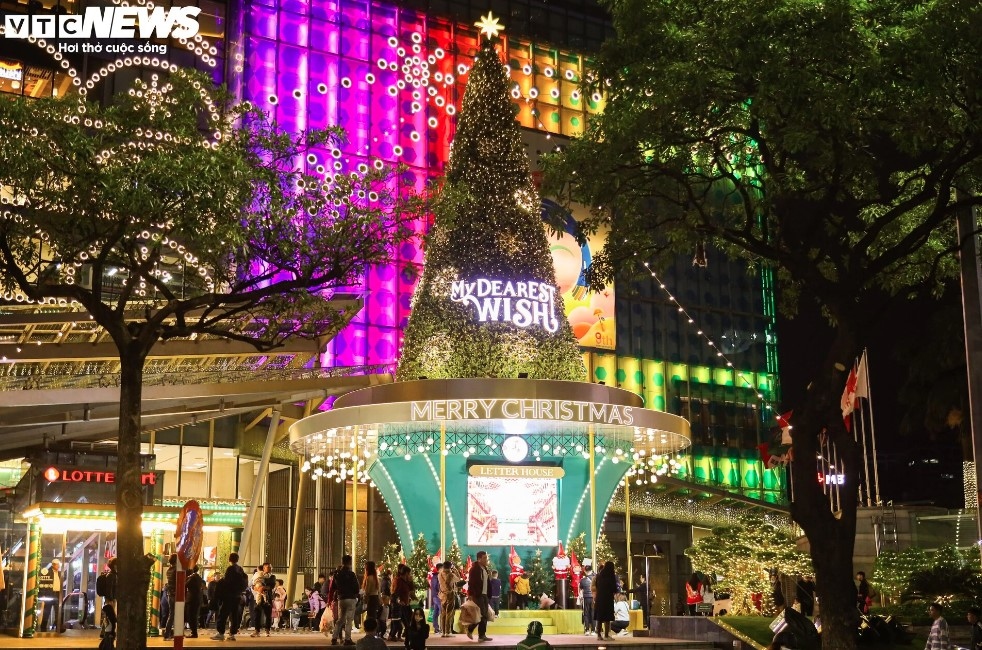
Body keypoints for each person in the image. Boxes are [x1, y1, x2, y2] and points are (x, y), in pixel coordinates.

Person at [212, 552, 249, 641]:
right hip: (237, 596)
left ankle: (221, 633)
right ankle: (232, 634)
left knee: (223, 614)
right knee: (234, 615)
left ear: (229, 559)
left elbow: (227, 582)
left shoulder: (230, 569)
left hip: (229, 596)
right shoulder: (240, 569)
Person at [466, 550, 493, 642]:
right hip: (478, 594)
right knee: (482, 614)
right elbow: (471, 583)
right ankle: (475, 632)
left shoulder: (485, 568)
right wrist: (470, 594)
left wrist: (489, 593)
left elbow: (487, 582)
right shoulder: (474, 569)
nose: (486, 559)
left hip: (485, 595)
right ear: (479, 559)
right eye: (484, 558)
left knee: (484, 615)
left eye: (486, 558)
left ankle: (481, 634)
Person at [593, 561, 617, 640]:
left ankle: (599, 635)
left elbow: (596, 585)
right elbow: (614, 588)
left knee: (599, 617)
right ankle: (606, 635)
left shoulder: (599, 575)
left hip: (599, 598)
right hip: (608, 598)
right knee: (607, 617)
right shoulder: (611, 576)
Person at [438, 561, 461, 638]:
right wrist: (456, 570)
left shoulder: (440, 574)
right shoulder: (451, 575)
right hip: (450, 594)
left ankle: (443, 631)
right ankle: (448, 631)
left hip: (442, 595)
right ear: (450, 567)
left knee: (443, 613)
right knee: (449, 613)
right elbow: (458, 579)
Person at [100, 559, 119, 638]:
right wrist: (110, 598)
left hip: (111, 598)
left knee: (108, 616)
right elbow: (109, 588)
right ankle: (106, 632)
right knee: (110, 616)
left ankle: (104, 632)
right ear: (114, 565)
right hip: (110, 599)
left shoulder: (113, 574)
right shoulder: (111, 575)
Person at [186, 566, 204, 638]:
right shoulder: (198, 577)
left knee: (191, 616)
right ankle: (194, 632)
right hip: (197, 599)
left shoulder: (192, 577)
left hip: (192, 599)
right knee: (195, 616)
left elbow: (185, 584)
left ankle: (194, 632)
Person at [363, 561, 381, 636]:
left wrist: (365, 600)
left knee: (370, 616)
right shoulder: (376, 578)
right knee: (374, 615)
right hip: (375, 597)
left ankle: (370, 632)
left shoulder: (369, 578)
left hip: (371, 597)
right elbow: (379, 590)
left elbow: (367, 591)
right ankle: (375, 631)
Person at [163, 554, 178, 639]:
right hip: (175, 594)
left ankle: (169, 633)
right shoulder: (176, 570)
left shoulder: (169, 570)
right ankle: (167, 633)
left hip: (169, 593)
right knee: (173, 614)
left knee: (172, 614)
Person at [579, 568, 595, 636]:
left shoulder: (582, 580)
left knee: (586, 614)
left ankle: (587, 630)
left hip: (586, 597)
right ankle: (593, 630)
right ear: (591, 571)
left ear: (585, 571)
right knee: (593, 613)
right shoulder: (595, 579)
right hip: (593, 598)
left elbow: (581, 588)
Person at [429, 563, 442, 634]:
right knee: (441, 611)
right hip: (438, 596)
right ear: (439, 569)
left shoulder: (435, 577)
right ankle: (441, 628)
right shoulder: (436, 577)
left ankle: (436, 628)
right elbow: (436, 587)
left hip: (435, 596)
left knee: (436, 612)